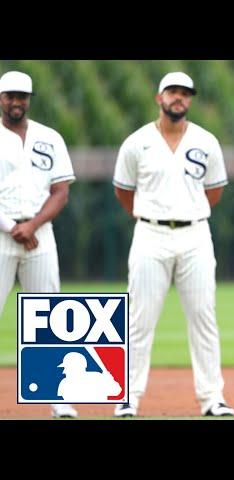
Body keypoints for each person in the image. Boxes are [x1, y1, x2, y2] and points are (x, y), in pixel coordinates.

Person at [112, 71, 234, 417]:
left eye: (185, 93)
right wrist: (146, 214)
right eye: (172, 92)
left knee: (203, 317)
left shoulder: (206, 141)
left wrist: (187, 211)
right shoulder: (137, 142)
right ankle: (128, 396)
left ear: (190, 99)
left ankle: (212, 399)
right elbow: (123, 190)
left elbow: (214, 191)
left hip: (195, 233)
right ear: (159, 97)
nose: (178, 98)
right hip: (150, 233)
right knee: (139, 319)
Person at [0, 71, 76, 419]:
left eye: (22, 96)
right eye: (10, 96)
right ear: (1, 98)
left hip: (40, 235)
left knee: (48, 316)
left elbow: (61, 191)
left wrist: (32, 224)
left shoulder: (49, 138)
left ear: (29, 99)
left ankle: (56, 397)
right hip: (1, 234)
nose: (16, 102)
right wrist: (12, 226)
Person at [57, 352, 122, 402]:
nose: (64, 371)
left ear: (77, 367)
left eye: (67, 368)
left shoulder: (97, 377)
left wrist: (109, 380)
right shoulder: (65, 382)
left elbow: (117, 391)